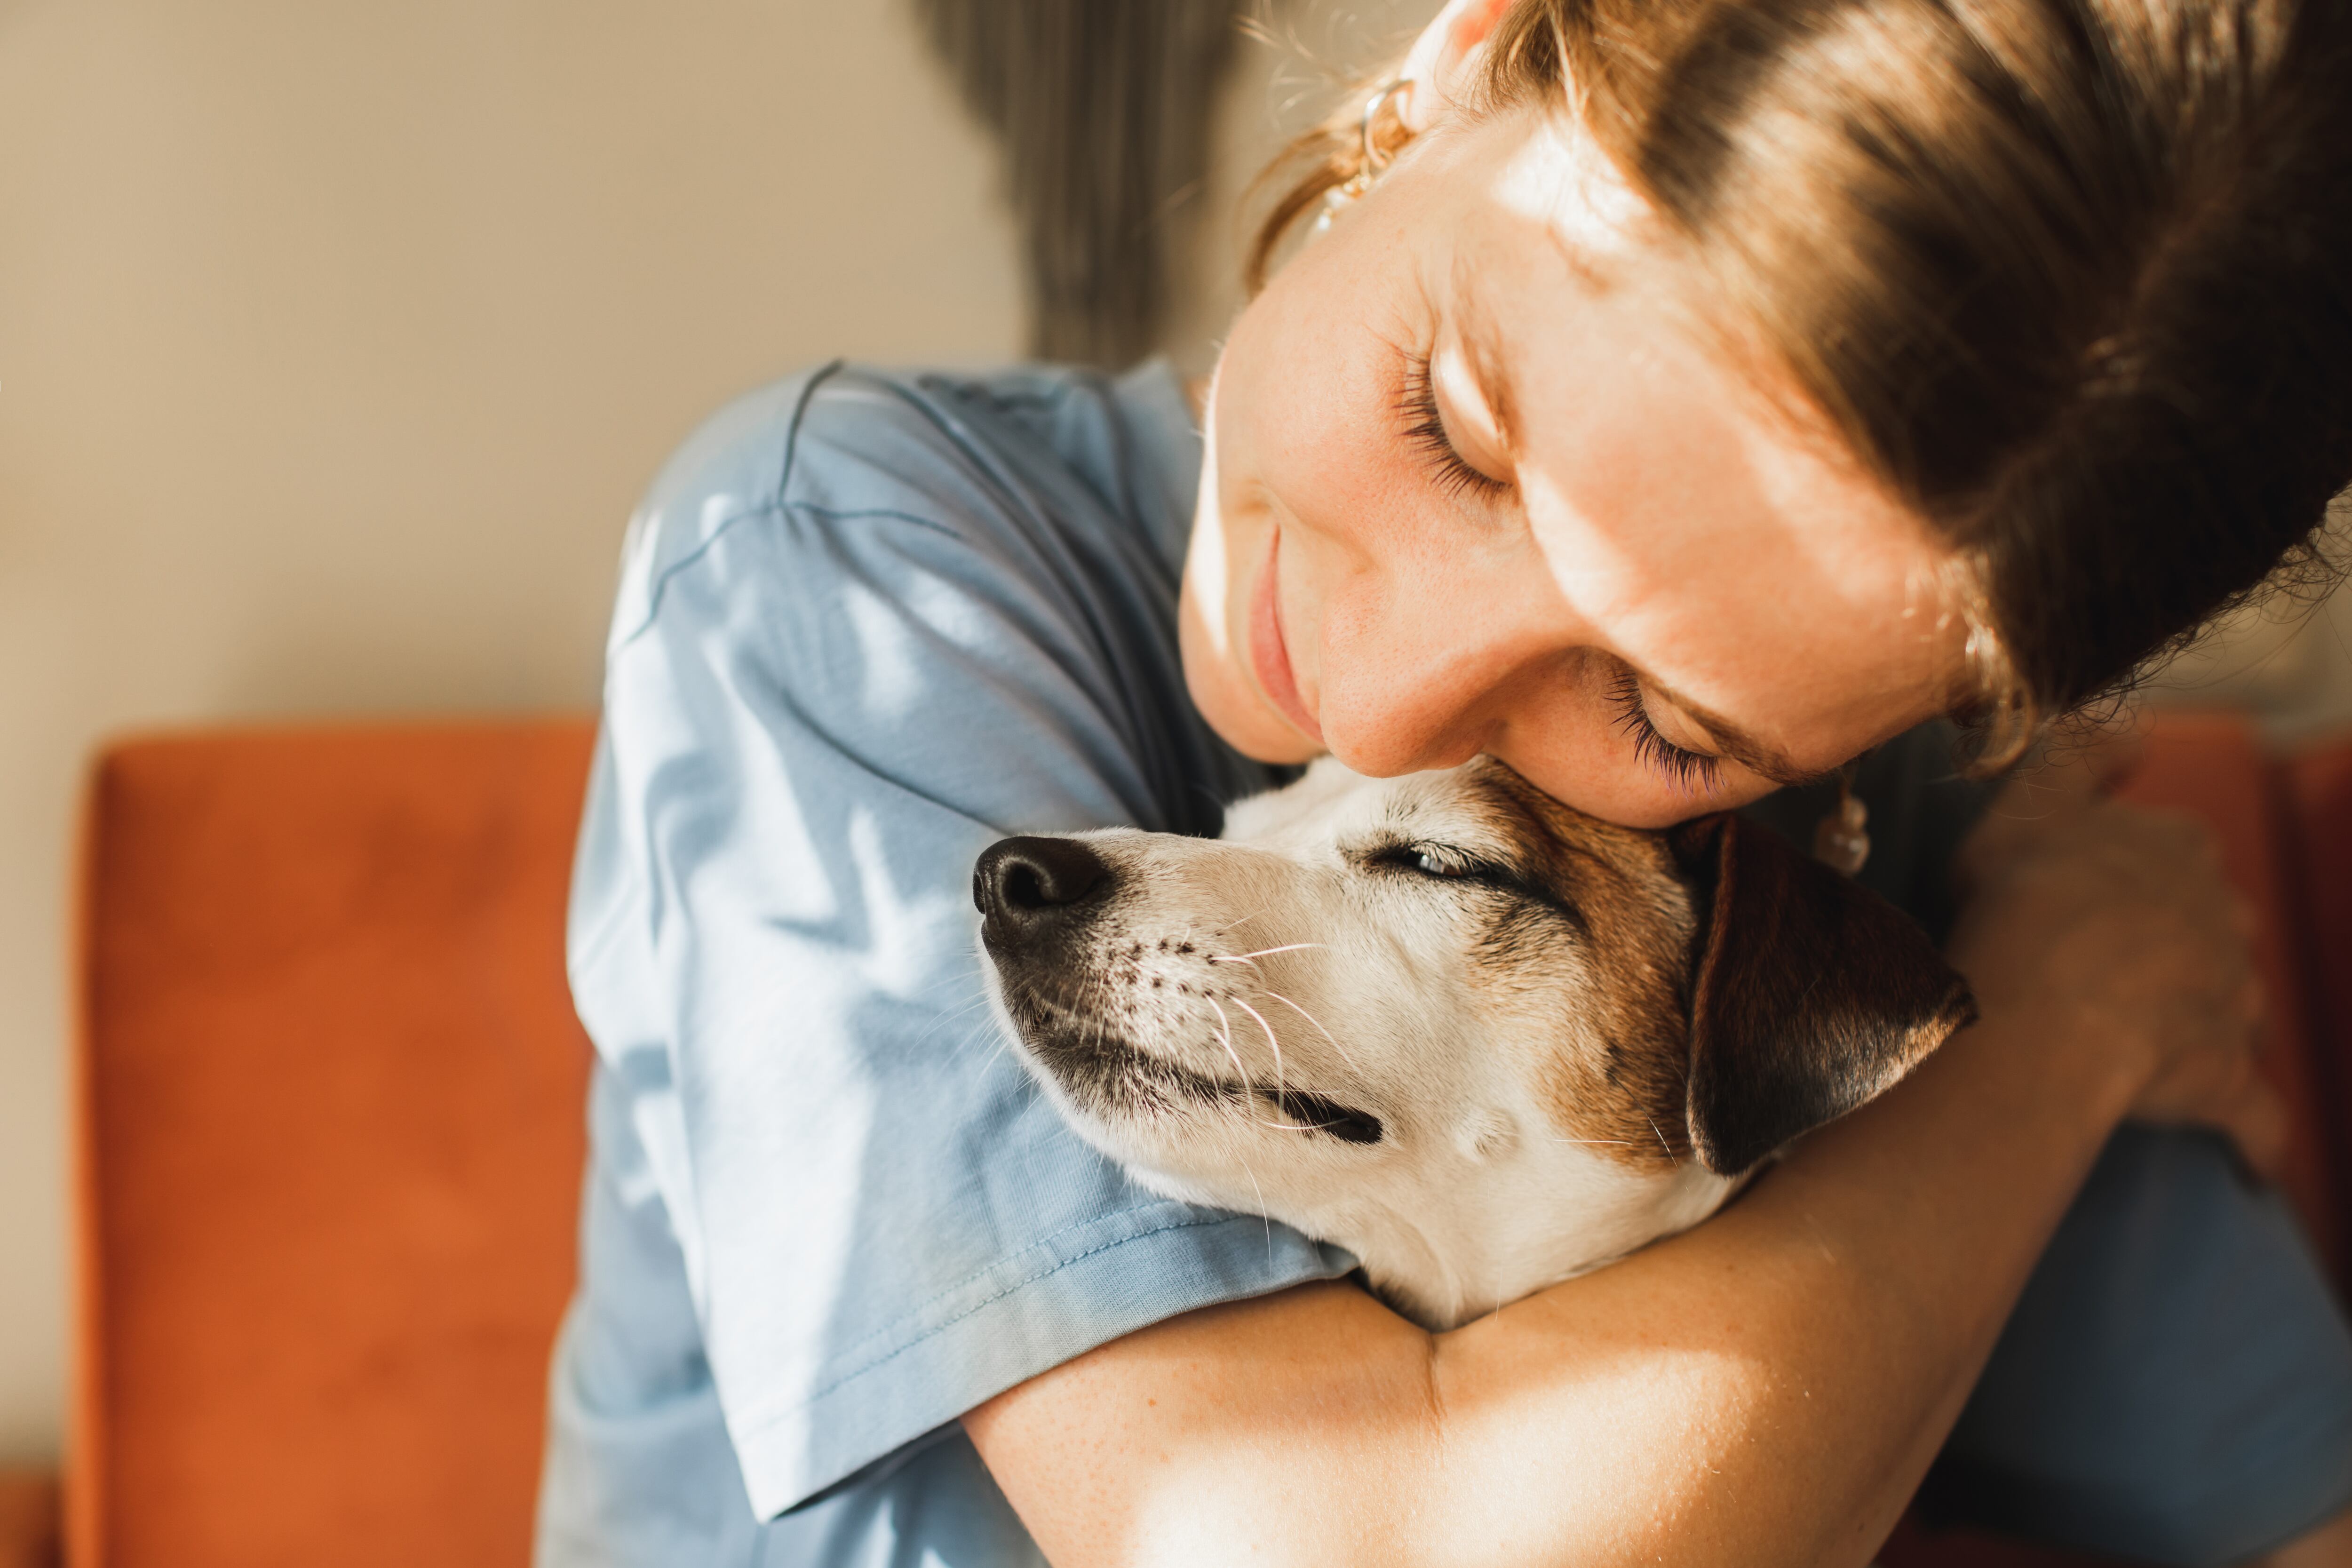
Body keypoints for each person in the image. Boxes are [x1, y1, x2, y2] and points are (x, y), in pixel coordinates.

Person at [532, 0, 2352, 1562]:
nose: (1386, 711)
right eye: (1464, 430)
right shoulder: (841, 564)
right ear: (1466, 59)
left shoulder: (1855, 855)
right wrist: (2051, 1038)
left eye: (1667, 718)